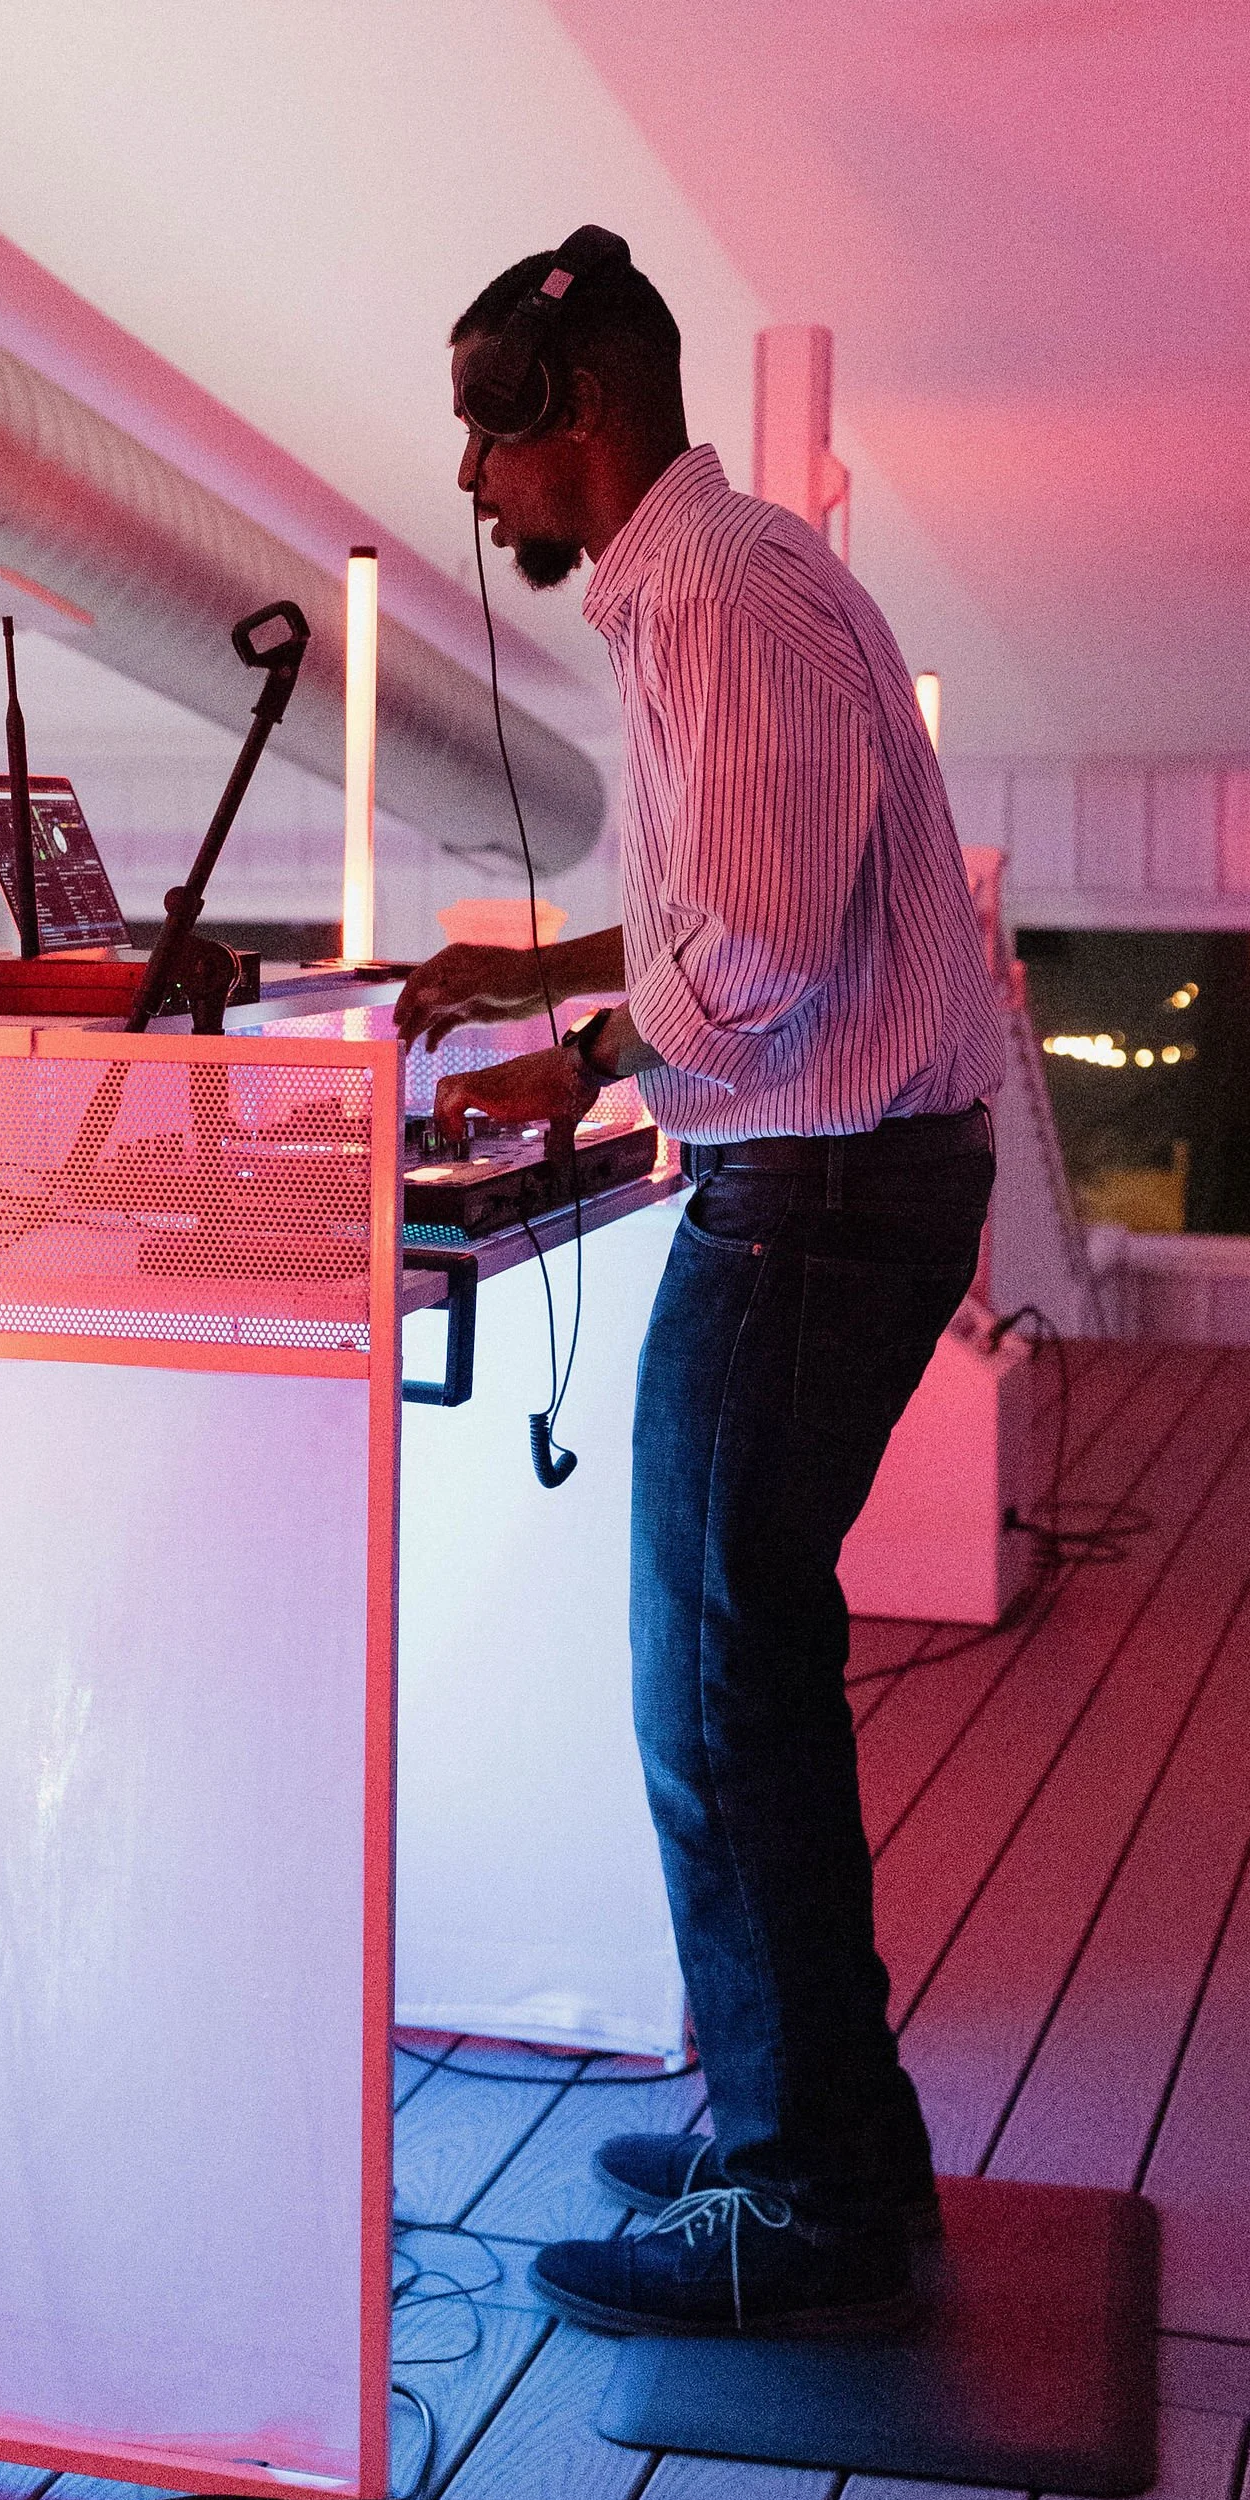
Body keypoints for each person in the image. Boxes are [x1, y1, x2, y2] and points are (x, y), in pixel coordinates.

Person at [395, 229, 1003, 2337]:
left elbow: (757, 958)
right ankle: (805, 2135)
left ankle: (811, 2200)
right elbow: (721, 903)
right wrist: (545, 964)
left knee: (722, 1698)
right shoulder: (708, 579)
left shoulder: (721, 598)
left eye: (486, 436)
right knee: (733, 1686)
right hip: (838, 1179)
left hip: (820, 1191)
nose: (471, 489)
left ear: (576, 419)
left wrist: (566, 1068)